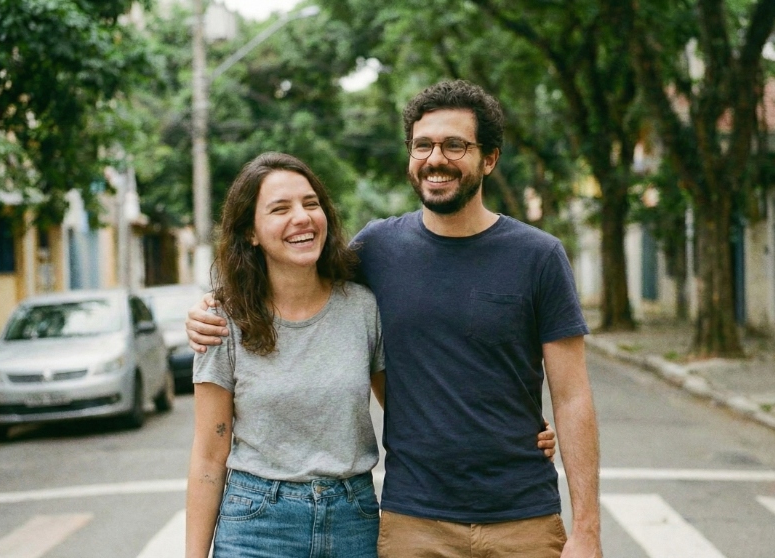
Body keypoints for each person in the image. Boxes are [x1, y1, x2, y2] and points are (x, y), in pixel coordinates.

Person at [189, 80, 601, 557]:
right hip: (413, 520)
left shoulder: (539, 256)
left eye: (455, 145)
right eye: (422, 145)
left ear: (489, 159)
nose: (435, 159)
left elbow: (572, 396)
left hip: (523, 514)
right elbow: (297, 274)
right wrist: (209, 307)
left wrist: (587, 529)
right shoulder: (377, 250)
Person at [185, 152, 385, 557]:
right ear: (251, 232)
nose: (302, 218)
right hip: (257, 526)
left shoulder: (363, 308)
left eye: (311, 204)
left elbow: (408, 417)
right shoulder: (223, 321)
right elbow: (208, 456)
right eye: (280, 209)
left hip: (353, 521)